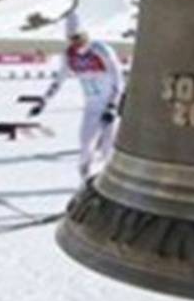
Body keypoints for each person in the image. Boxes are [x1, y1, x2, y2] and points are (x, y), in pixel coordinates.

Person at [29, 9, 125, 180]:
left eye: (78, 37)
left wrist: (113, 105)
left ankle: (112, 185)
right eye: (72, 39)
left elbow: (118, 80)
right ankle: (85, 183)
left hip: (109, 107)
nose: (76, 42)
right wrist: (43, 102)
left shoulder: (101, 50)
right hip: (91, 108)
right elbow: (58, 81)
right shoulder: (69, 55)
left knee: (107, 150)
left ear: (85, 34)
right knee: (86, 146)